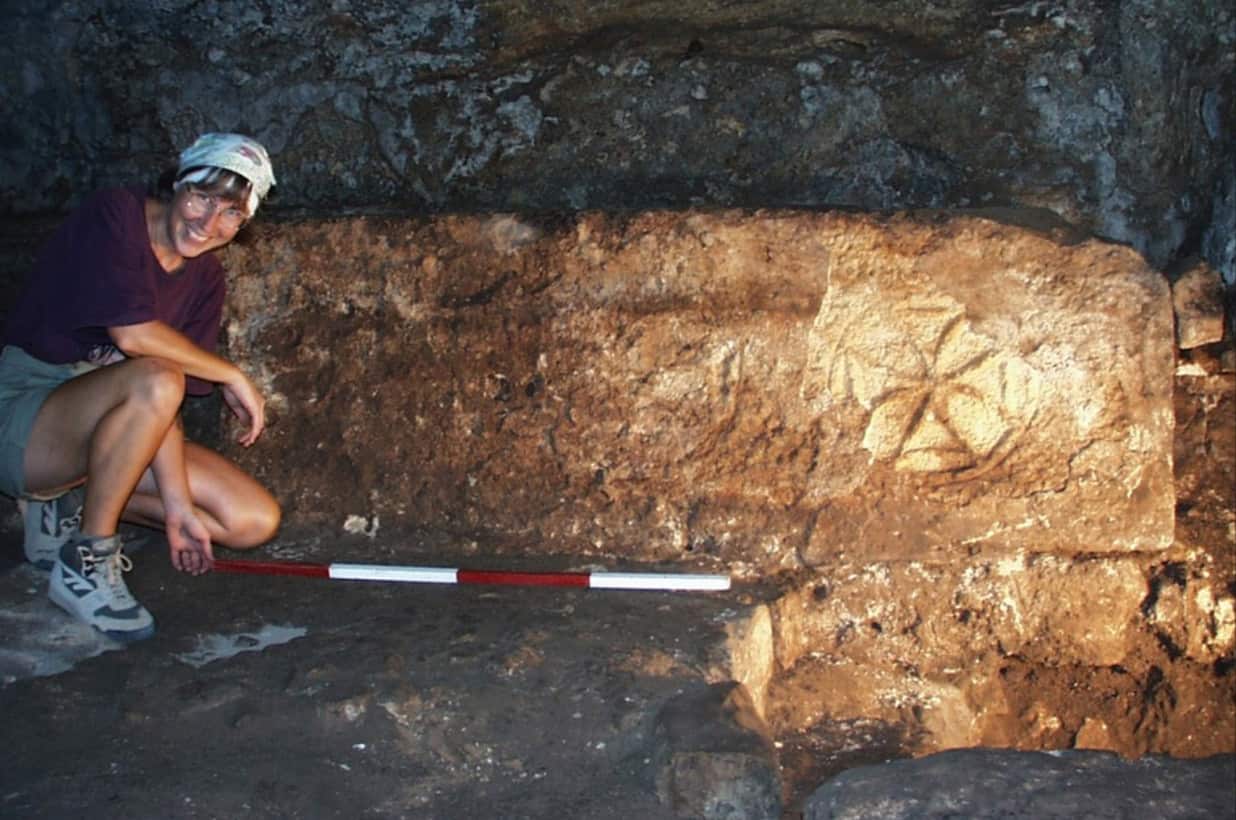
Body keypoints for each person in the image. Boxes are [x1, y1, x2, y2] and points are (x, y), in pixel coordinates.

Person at [0, 133, 282, 642]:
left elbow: (161, 403)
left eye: (231, 214)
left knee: (250, 520)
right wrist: (231, 372)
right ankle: (88, 557)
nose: (208, 222)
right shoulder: (116, 216)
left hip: (115, 419)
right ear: (176, 183)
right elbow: (135, 341)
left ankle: (64, 503)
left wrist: (176, 508)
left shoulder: (205, 277)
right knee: (155, 373)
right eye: (201, 197)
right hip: (24, 413)